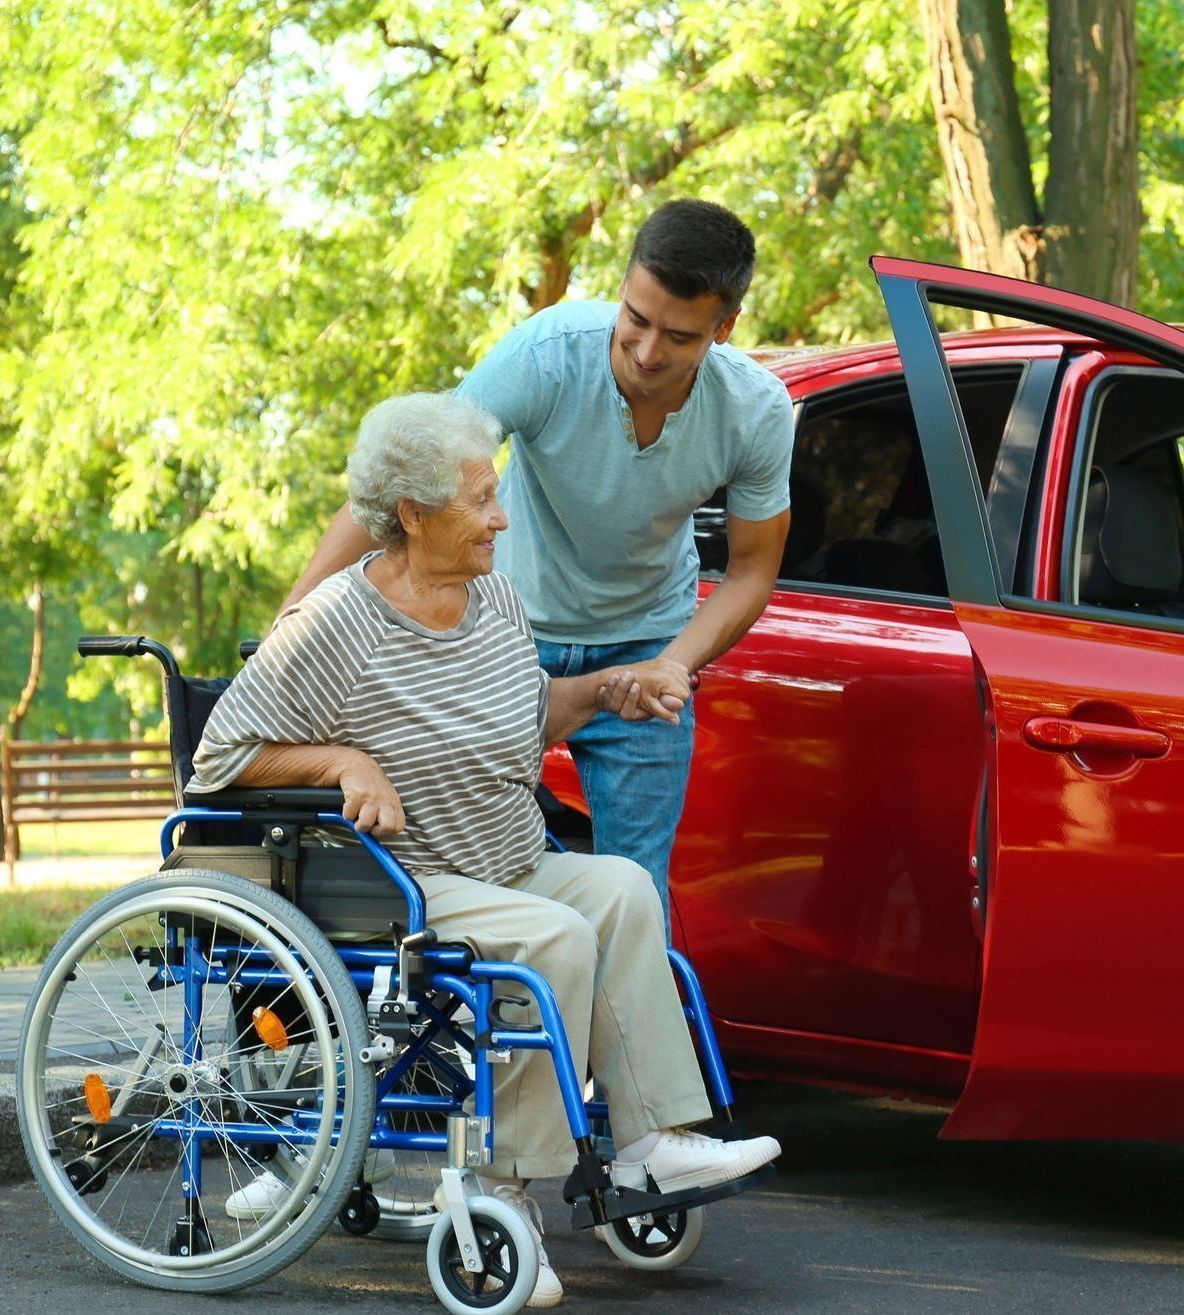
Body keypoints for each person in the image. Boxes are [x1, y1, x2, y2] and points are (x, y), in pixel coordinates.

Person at [189, 392, 780, 1309]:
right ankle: (504, 1189)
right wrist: (344, 757)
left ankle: (652, 1140)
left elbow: (524, 711)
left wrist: (606, 692)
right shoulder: (332, 626)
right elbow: (219, 757)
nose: (501, 517)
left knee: (623, 888)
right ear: (414, 514)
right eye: (479, 501)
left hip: (505, 856)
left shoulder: (492, 598)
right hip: (410, 884)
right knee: (557, 937)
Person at [282, 200, 795, 930]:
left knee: (638, 891)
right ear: (623, 288)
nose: (647, 351)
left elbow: (751, 569)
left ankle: (607, 1043)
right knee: (465, 866)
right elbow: (410, 485)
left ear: (725, 326)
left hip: (645, 640)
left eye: (678, 336)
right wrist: (295, 619)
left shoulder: (755, 411)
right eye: (635, 318)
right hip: (503, 636)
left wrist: (673, 664)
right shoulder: (550, 353)